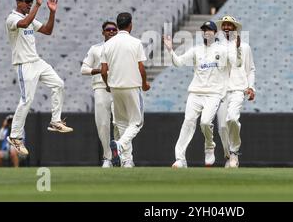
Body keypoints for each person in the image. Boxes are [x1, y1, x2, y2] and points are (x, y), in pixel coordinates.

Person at [163, 21, 241, 168]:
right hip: (195, 93)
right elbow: (178, 62)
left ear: (215, 32)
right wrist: (170, 50)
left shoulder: (223, 50)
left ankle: (209, 146)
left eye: (209, 30)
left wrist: (235, 48)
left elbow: (236, 63)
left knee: (205, 122)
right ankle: (180, 159)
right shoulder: (196, 50)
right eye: (204, 30)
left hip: (214, 94)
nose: (206, 32)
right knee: (188, 122)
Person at [5, 0, 73, 156]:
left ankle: (55, 121)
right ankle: (14, 136)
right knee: (27, 99)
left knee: (58, 84)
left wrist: (52, 13)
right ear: (18, 2)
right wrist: (37, 6)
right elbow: (24, 24)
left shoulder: (29, 17)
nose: (29, 4)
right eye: (27, 1)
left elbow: (48, 30)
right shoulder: (12, 18)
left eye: (31, 1)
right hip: (24, 64)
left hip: (36, 61)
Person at [101, 12, 150, 168]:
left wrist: (108, 85)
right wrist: (144, 83)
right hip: (132, 86)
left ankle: (127, 161)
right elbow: (141, 68)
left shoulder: (107, 44)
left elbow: (103, 71)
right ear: (130, 25)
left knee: (122, 124)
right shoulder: (135, 43)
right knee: (136, 123)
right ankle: (120, 145)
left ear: (118, 25)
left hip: (115, 87)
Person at [213, 15, 256, 168]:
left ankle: (234, 153)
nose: (226, 28)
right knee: (222, 127)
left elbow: (250, 69)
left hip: (238, 89)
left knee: (232, 119)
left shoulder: (245, 47)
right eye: (224, 25)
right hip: (221, 91)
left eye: (229, 25)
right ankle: (228, 154)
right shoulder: (215, 47)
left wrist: (251, 87)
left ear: (235, 28)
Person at [81, 21, 118, 168]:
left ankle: (124, 156)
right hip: (101, 88)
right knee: (102, 124)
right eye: (108, 29)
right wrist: (100, 71)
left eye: (114, 29)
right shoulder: (95, 49)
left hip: (118, 88)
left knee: (119, 124)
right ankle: (107, 157)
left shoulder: (121, 48)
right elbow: (84, 69)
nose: (111, 31)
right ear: (103, 32)